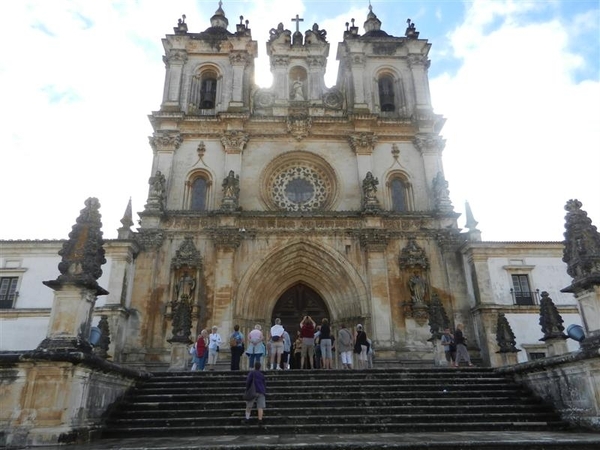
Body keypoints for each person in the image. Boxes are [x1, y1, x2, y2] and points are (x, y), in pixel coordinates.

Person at [243, 361, 267, 427]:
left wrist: (247, 389)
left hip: (253, 391)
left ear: (254, 366)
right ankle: (260, 420)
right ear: (260, 367)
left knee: (249, 405)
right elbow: (264, 384)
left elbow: (248, 382)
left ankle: (247, 418)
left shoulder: (252, 373)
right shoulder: (262, 375)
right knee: (260, 407)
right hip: (261, 391)